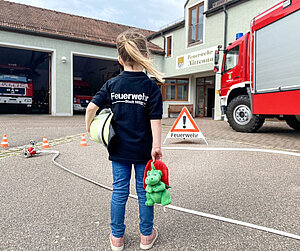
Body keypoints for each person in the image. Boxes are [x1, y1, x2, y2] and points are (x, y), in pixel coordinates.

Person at [85, 29, 163, 251]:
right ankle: (146, 236)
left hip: (118, 148)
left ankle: (117, 238)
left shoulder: (112, 84)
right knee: (144, 192)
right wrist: (156, 147)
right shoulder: (151, 87)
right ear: (144, 56)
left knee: (119, 191)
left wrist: (89, 127)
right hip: (143, 151)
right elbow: (155, 120)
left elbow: (91, 107)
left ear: (120, 59)